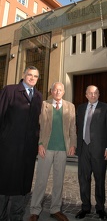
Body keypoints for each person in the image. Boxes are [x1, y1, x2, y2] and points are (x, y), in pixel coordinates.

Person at [29, 82, 77, 221]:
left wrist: (73, 144)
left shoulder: (70, 106)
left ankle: (55, 209)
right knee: (41, 180)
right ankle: (35, 210)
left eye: (60, 90)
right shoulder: (44, 104)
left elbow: (73, 128)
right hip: (46, 148)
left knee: (59, 181)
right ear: (51, 91)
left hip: (62, 149)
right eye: (55, 89)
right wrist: (39, 143)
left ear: (63, 92)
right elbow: (37, 126)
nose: (57, 91)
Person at [0, 66, 42, 221]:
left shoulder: (38, 96)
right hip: (7, 149)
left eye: (35, 76)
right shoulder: (9, 91)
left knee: (22, 186)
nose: (32, 78)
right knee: (4, 184)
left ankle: (16, 217)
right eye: (29, 75)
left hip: (27, 151)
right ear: (23, 75)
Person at [75, 85, 107, 220]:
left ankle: (100, 208)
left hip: (99, 150)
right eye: (90, 93)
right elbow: (77, 128)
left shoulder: (105, 108)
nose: (93, 95)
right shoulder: (80, 108)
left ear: (99, 94)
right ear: (86, 95)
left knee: (99, 179)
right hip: (83, 149)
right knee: (83, 179)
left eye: (96, 93)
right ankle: (85, 207)